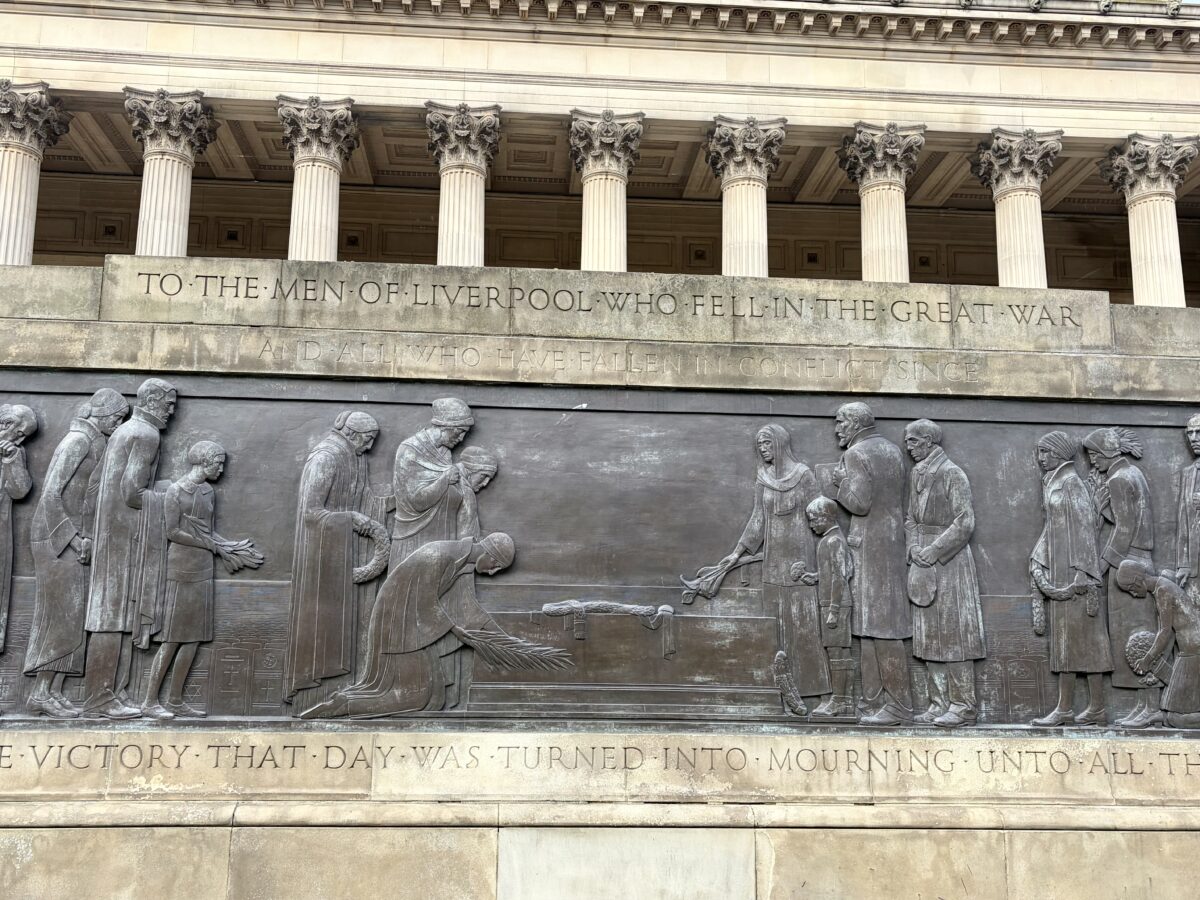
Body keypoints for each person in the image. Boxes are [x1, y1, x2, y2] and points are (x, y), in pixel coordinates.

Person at [300, 533, 516, 718]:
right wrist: (454, 629)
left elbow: (470, 609)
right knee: (412, 695)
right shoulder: (440, 555)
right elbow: (425, 600)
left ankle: (345, 701)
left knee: (434, 695)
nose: (493, 571)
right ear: (488, 552)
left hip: (411, 626)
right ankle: (342, 706)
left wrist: (506, 640)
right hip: (397, 624)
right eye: (496, 564)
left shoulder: (461, 564)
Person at [23, 389, 128, 717]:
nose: (118, 423)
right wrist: (74, 539)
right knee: (58, 615)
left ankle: (53, 690)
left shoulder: (95, 440)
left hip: (73, 538)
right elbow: (52, 495)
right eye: (116, 417)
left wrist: (87, 537)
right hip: (54, 539)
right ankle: (39, 692)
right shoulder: (78, 441)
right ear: (101, 413)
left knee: (71, 618)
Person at [141, 441, 263, 719]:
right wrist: (212, 546)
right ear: (203, 462)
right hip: (180, 568)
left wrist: (228, 546)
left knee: (193, 638)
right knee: (172, 638)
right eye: (218, 463)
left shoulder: (208, 492)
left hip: (203, 569)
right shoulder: (175, 491)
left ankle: (174, 700)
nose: (221, 468)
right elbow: (172, 531)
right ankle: (149, 701)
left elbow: (208, 531)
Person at [83, 378, 175, 719]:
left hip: (114, 533)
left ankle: (112, 694)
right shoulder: (145, 434)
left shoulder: (126, 431)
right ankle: (99, 699)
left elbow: (100, 486)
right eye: (168, 404)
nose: (171, 411)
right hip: (125, 539)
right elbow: (133, 493)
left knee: (114, 615)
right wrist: (170, 496)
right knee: (112, 616)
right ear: (151, 401)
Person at [720, 424, 828, 716]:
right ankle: (778, 691)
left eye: (767, 443)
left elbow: (822, 517)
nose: (763, 449)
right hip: (773, 562)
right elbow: (758, 519)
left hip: (800, 561)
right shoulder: (763, 477)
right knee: (776, 628)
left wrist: (819, 564)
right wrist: (737, 553)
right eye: (759, 445)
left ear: (780, 443)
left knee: (803, 628)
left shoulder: (804, 475)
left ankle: (812, 692)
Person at [284, 410, 388, 706]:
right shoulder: (325, 457)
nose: (370, 447)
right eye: (368, 440)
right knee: (323, 622)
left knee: (349, 626)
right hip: (320, 556)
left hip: (347, 550)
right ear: (352, 434)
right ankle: (311, 691)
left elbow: (365, 497)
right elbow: (311, 512)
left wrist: (395, 503)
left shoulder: (356, 457)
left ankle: (342, 691)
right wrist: (351, 519)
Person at [832, 402, 913, 725]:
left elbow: (860, 504)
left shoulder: (855, 454)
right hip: (891, 544)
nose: (837, 429)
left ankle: (897, 705)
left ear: (854, 423)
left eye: (840, 422)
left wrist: (839, 483)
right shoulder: (893, 450)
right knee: (871, 627)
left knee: (879, 628)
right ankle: (871, 701)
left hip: (870, 549)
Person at [903, 419, 986, 728]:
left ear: (929, 441)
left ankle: (963, 706)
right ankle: (938, 702)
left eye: (913, 441)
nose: (909, 447)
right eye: (908, 441)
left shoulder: (952, 473)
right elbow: (910, 517)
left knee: (954, 636)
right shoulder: (916, 474)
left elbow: (964, 522)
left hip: (950, 565)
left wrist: (933, 550)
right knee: (928, 637)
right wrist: (913, 547)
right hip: (921, 562)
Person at [1029, 431, 1111, 726]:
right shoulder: (1052, 481)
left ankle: (1097, 707)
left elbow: (1086, 530)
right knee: (1064, 644)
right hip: (1059, 569)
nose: (1041, 459)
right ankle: (1065, 708)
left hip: (1076, 576)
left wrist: (1083, 574)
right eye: (1039, 453)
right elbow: (1052, 526)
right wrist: (1038, 557)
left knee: (1088, 643)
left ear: (1061, 454)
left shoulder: (1072, 483)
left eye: (1045, 452)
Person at [1084, 426, 1158, 727]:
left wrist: (1101, 566)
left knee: (1135, 636)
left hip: (1127, 564)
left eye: (1092, 456)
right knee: (1140, 634)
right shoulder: (1133, 473)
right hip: (1140, 558)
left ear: (1105, 454)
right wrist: (1107, 513)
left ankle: (1150, 705)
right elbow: (1132, 518)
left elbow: (1125, 530)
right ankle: (1145, 705)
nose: (1091, 462)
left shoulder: (1116, 478)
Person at [390, 398, 477, 568]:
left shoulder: (444, 452)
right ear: (445, 427)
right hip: (414, 536)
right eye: (459, 431)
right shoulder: (409, 450)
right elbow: (415, 500)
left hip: (441, 532)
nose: (461, 439)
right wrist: (445, 480)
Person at [1118, 559, 1200, 728]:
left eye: (1131, 589)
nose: (1133, 594)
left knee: (1176, 718)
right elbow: (1169, 633)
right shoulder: (1162, 586)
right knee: (1174, 713)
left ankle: (1155, 714)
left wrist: (1147, 660)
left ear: (1137, 580)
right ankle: (1153, 713)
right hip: (1189, 649)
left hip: (1192, 651)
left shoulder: (1162, 590)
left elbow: (1165, 631)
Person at [794, 496, 855, 719]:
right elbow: (834, 573)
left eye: (813, 520)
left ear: (826, 518)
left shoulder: (834, 541)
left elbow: (841, 576)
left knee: (838, 654)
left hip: (835, 605)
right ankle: (843, 700)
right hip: (830, 602)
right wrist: (816, 577)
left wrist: (834, 611)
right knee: (835, 653)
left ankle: (840, 701)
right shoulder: (829, 540)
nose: (811, 525)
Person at [0, 403, 36, 655]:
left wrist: (11, 460)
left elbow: (20, 490)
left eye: (23, 435)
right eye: (4, 422)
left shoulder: (14, 453)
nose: (3, 428)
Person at [1174, 414, 1200, 598]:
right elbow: (1183, 520)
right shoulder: (1189, 473)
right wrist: (1183, 563)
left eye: (1199, 432)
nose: (1193, 438)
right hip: (1194, 566)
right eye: (1190, 433)